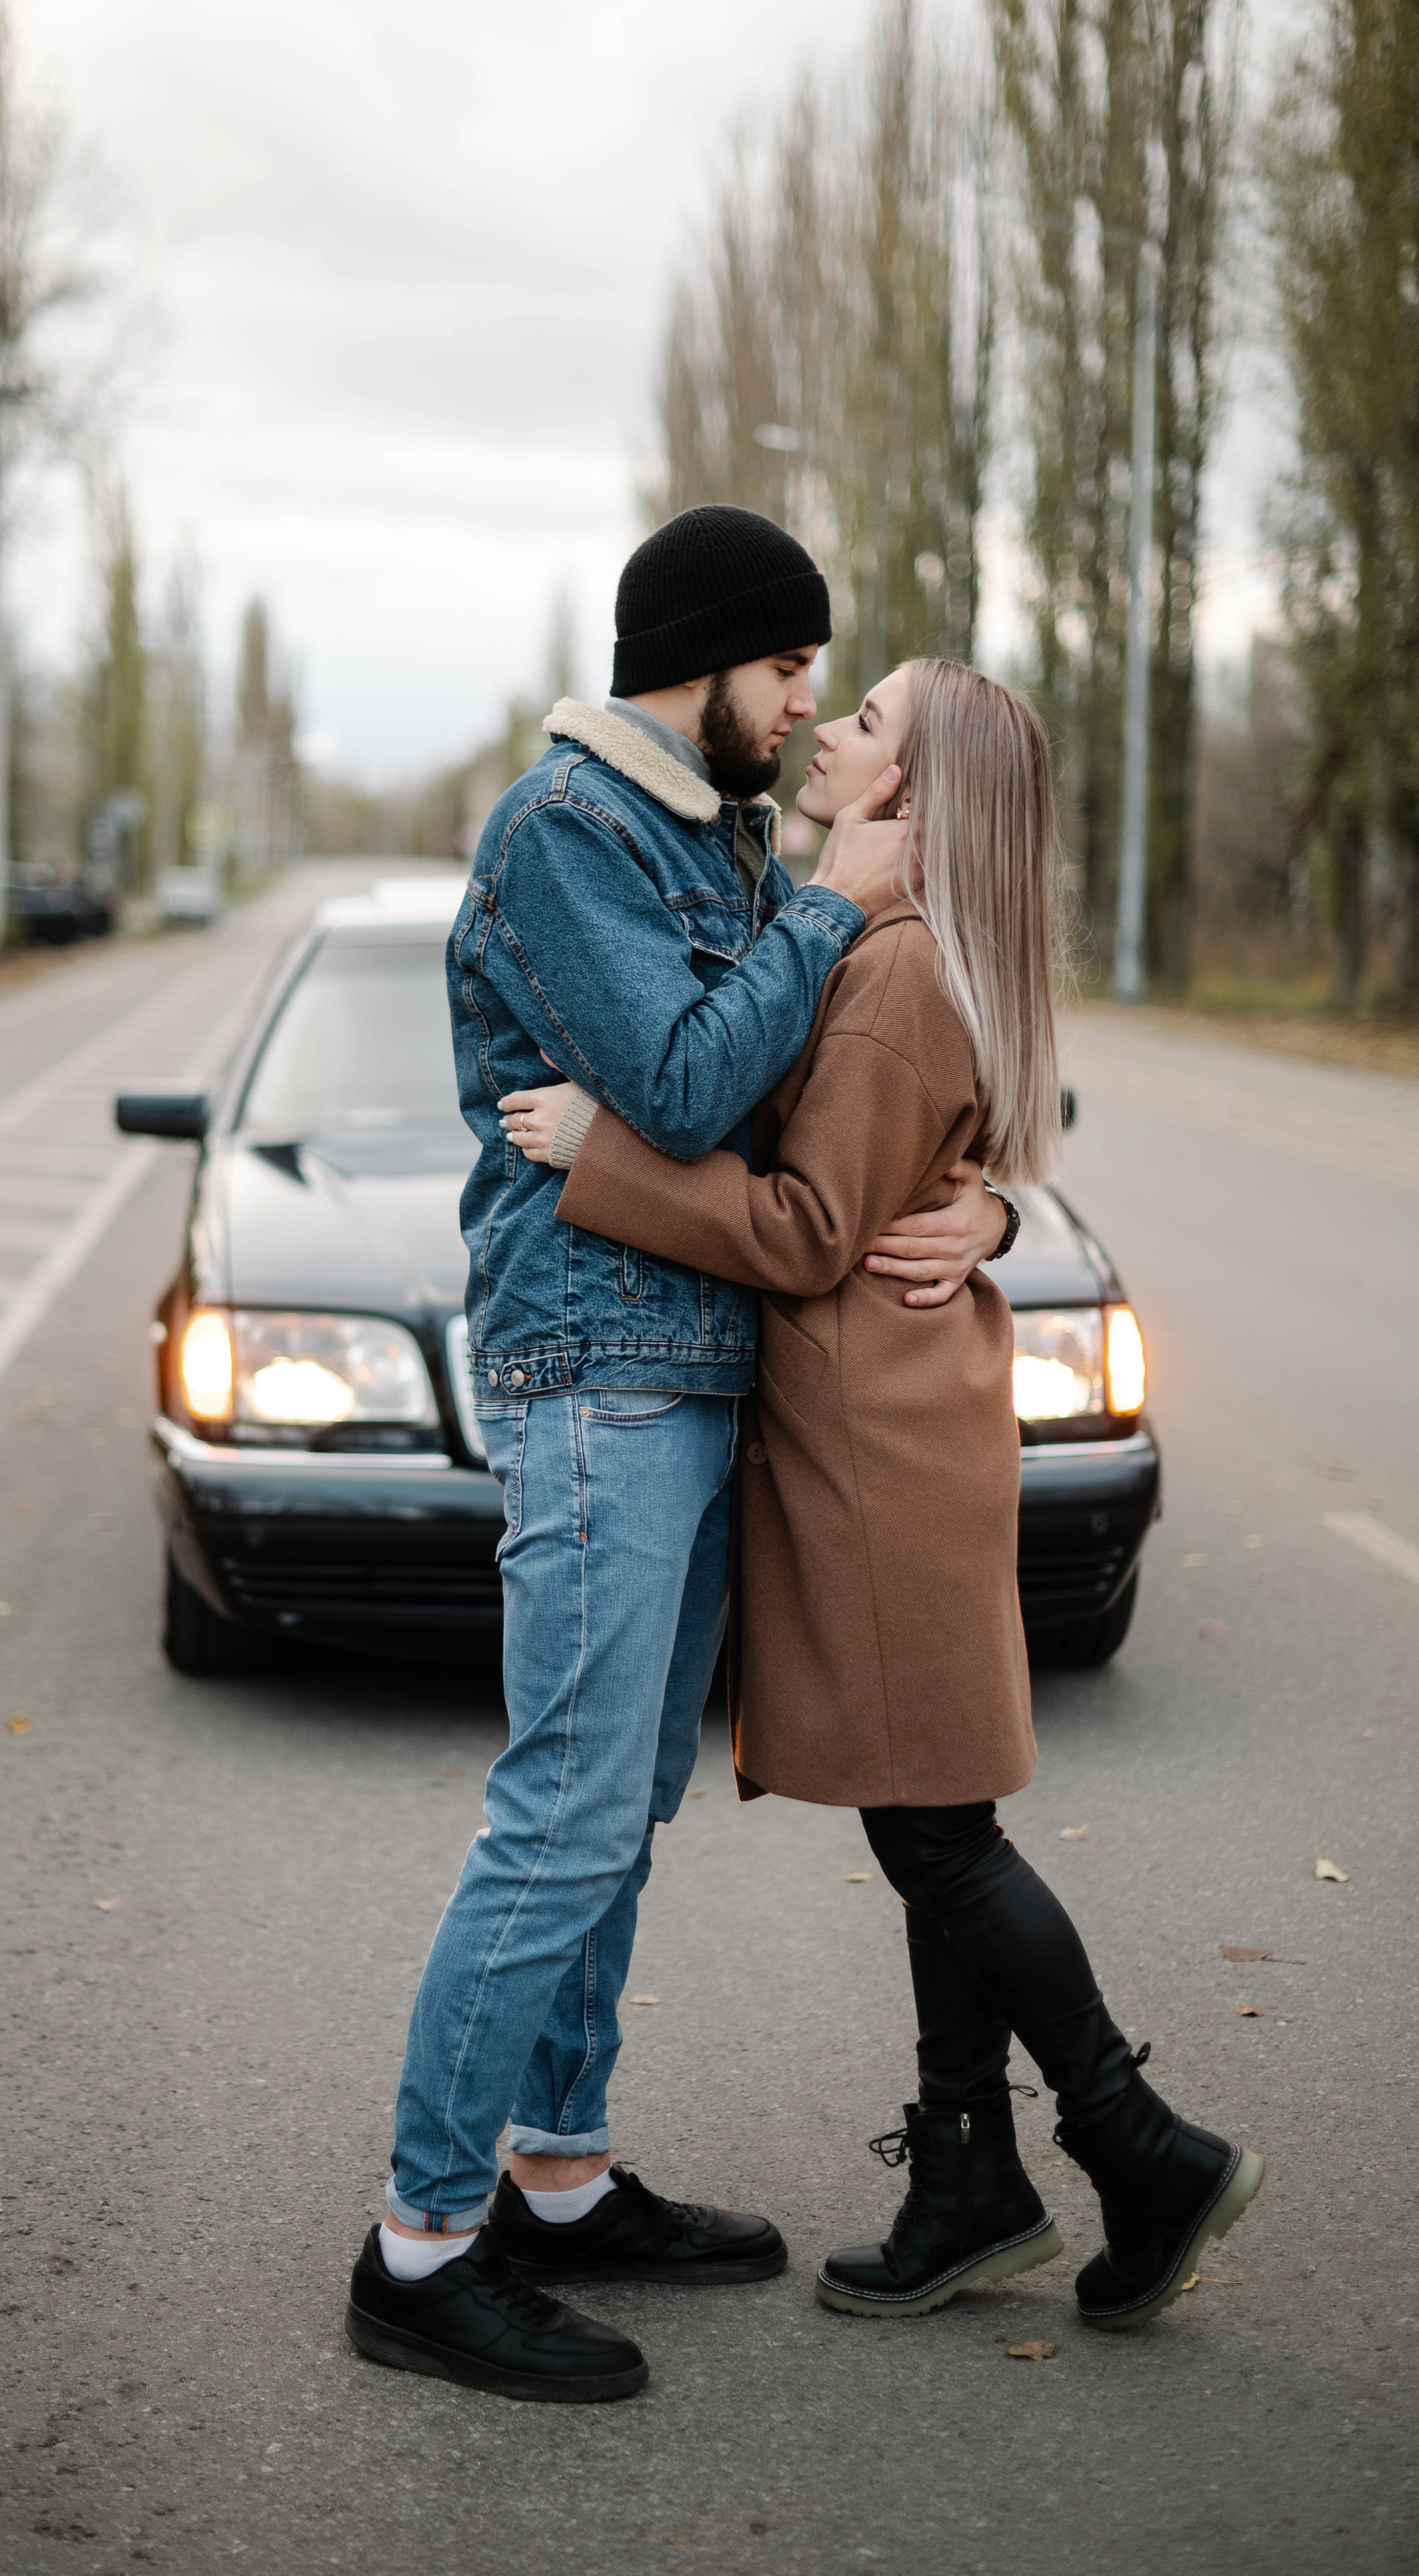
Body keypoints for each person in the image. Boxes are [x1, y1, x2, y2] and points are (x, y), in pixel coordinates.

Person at [506, 657, 1265, 2333]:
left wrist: (599, 1153)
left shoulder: (891, 976)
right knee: (930, 1820)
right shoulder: (884, 951)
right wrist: (982, 1209)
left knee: (936, 1833)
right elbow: (893, 1176)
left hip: (871, 1450)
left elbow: (797, 1231)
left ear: (905, 802)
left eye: (862, 725)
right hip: (893, 1422)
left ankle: (1137, 2150)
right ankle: (966, 2178)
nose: (825, 730)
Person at [345, 510, 1012, 2403]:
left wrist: (989, 1215)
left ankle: (556, 2174)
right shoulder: (566, 834)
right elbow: (701, 1085)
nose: (808, 710)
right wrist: (823, 899)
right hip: (596, 1378)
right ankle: (422, 2240)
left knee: (618, 1810)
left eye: (822, 680)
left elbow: (853, 1110)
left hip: (703, 1371)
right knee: (559, 1816)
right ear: (702, 656)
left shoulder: (707, 837)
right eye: (791, 669)